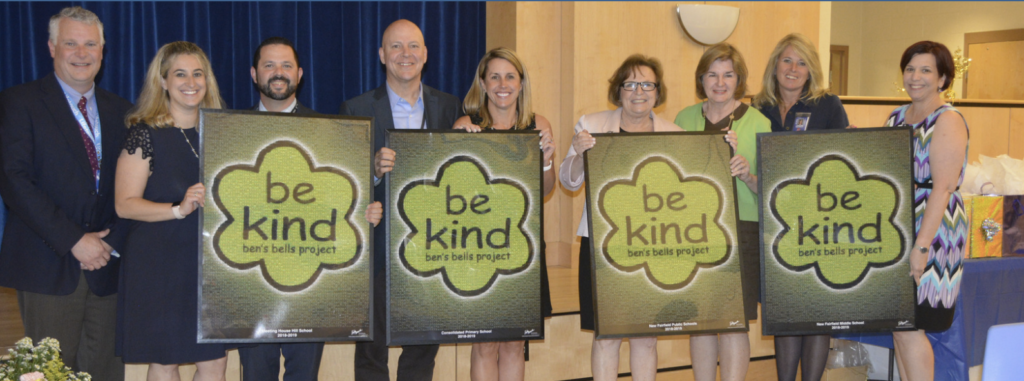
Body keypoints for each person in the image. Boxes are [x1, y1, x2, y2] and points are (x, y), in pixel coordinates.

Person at [0, 7, 132, 380]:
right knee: (52, 373)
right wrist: (74, 239)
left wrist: (112, 243)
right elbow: (13, 179)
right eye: (71, 43)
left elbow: (134, 186)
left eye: (91, 44)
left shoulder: (121, 111)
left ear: (103, 51)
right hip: (48, 264)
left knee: (107, 372)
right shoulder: (19, 102)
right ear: (51, 47)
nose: (81, 53)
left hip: (108, 267)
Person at [241, 36, 383, 381]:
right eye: (269, 65)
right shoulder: (231, 131)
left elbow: (346, 197)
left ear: (300, 74)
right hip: (249, 281)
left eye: (286, 65)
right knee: (256, 375)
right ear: (253, 73)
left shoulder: (330, 131)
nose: (278, 73)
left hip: (312, 280)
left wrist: (365, 214)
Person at [339, 19, 462, 381]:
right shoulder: (356, 108)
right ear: (381, 55)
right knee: (371, 352)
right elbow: (341, 183)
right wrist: (373, 171)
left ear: (425, 55)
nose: (404, 54)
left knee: (424, 348)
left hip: (433, 245)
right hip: (377, 247)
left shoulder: (450, 107)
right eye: (395, 46)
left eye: (413, 47)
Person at [113, 41, 231, 381]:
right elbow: (124, 204)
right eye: (180, 74)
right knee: (165, 361)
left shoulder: (222, 131)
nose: (190, 82)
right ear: (162, 81)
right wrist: (179, 209)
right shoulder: (144, 133)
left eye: (198, 74)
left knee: (215, 362)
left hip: (211, 267)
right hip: (159, 265)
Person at [559, 54, 679, 381]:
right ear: (619, 89)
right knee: (607, 335)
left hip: (655, 244)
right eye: (630, 84)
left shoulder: (674, 133)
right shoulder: (591, 125)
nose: (638, 91)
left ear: (657, 91)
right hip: (603, 245)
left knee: (646, 334)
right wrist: (579, 153)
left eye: (647, 84)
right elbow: (568, 181)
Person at [451, 47, 555, 381]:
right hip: (479, 248)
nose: (502, 83)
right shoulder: (467, 124)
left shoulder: (539, 125)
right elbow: (453, 195)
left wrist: (549, 159)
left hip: (523, 247)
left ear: (521, 83)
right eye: (494, 76)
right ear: (482, 83)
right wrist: (460, 148)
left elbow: (547, 188)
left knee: (513, 342)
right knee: (484, 344)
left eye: (510, 76)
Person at [751, 33, 849, 381]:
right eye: (787, 60)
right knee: (787, 308)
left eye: (802, 62)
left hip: (820, 223)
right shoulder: (756, 107)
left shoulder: (828, 105)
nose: (793, 69)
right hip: (776, 225)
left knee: (818, 309)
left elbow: (846, 160)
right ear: (775, 65)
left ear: (812, 70)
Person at [673, 43, 770, 381]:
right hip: (692, 230)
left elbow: (769, 190)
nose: (720, 81)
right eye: (712, 74)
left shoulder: (758, 122)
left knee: (732, 322)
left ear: (738, 79)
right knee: (701, 321)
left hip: (740, 229)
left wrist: (747, 174)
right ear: (701, 79)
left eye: (728, 74)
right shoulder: (683, 119)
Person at [884, 41, 968, 381]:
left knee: (913, 325)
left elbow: (943, 187)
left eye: (925, 70)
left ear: (943, 78)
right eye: (909, 69)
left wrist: (921, 247)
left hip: (934, 229)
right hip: (896, 225)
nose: (915, 77)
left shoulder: (947, 120)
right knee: (900, 324)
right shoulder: (896, 116)